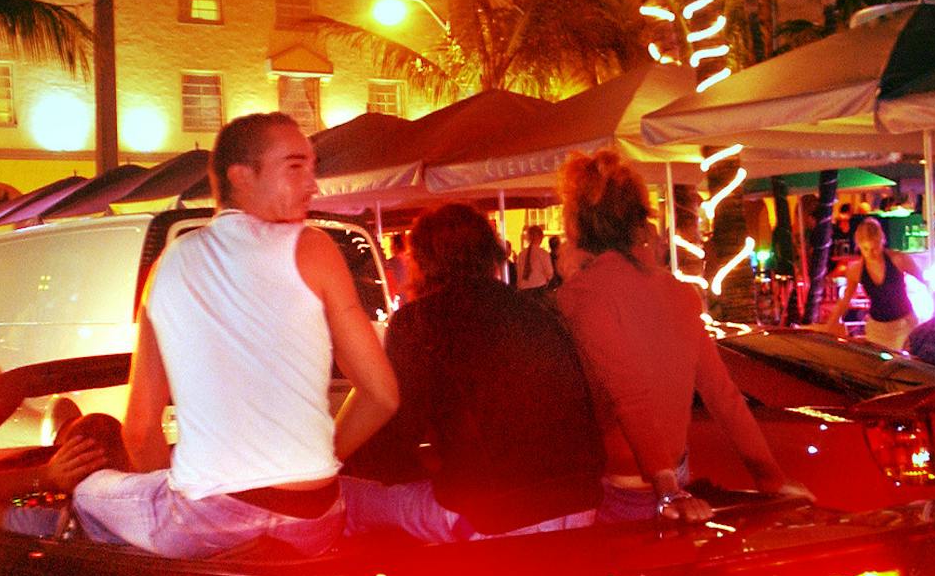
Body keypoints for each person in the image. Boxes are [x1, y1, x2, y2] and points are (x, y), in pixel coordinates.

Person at [0, 112, 400, 558]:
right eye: (296, 167)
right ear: (242, 177)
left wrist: (179, 491)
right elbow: (382, 396)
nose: (313, 184)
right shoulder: (316, 249)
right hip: (316, 520)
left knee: (87, 490)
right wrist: (313, 460)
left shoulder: (168, 267)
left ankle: (58, 532)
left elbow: (140, 434)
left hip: (209, 528)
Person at [552, 149, 808, 523]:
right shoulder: (678, 292)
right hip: (671, 474)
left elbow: (629, 396)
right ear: (638, 220)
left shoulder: (582, 295)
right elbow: (722, 394)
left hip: (628, 485)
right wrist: (769, 476)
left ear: (577, 224)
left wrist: (668, 490)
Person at [342, 205, 602, 541]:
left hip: (496, 517)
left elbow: (391, 441)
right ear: (491, 253)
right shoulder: (538, 311)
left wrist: (342, 457)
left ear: (420, 261)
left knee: (346, 495)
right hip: (581, 506)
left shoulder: (421, 321)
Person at [824, 217, 924, 349]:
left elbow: (924, 281)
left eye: (875, 247)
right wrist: (828, 327)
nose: (871, 253)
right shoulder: (856, 270)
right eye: (865, 249)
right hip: (877, 329)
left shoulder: (898, 260)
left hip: (905, 325)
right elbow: (845, 301)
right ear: (859, 246)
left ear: (882, 241)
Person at [514, 222, 556, 290]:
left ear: (528, 238)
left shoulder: (521, 254)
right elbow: (550, 273)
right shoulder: (543, 254)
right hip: (538, 289)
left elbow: (519, 274)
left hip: (524, 289)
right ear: (541, 237)